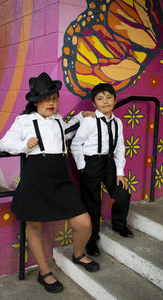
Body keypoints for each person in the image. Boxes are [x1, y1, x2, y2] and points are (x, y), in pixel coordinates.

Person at [0, 72, 99, 294]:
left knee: (83, 223)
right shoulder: (23, 121)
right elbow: (5, 142)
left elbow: (65, 134)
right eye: (46, 99)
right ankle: (44, 272)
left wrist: (81, 117)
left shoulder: (57, 120)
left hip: (61, 181)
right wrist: (25, 144)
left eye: (54, 98)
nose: (52, 103)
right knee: (34, 226)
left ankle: (78, 253)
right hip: (36, 180)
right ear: (35, 102)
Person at [71, 83, 133, 257]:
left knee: (122, 194)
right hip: (91, 164)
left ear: (114, 99)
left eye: (109, 97)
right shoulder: (90, 121)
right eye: (100, 98)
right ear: (94, 103)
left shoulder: (118, 122)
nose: (105, 101)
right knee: (92, 204)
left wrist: (120, 171)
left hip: (109, 163)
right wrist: (82, 166)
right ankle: (91, 241)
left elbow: (120, 147)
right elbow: (76, 143)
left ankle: (119, 225)